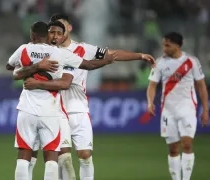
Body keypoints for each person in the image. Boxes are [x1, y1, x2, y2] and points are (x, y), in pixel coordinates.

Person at [21, 14, 156, 180]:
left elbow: (111, 54)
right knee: (63, 157)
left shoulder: (83, 49)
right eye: (52, 30)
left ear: (68, 28)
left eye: (61, 27)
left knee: (85, 155)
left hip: (78, 107)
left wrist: (139, 56)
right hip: (55, 109)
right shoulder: (46, 51)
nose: (56, 33)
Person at [9, 21, 114, 180]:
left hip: (26, 109)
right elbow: (89, 65)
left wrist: (35, 66)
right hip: (50, 112)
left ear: (32, 35)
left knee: (24, 155)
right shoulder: (60, 53)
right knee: (51, 157)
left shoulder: (24, 49)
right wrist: (106, 61)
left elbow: (11, 67)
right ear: (48, 35)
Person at [147, 32, 209, 180]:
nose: (164, 48)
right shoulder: (160, 63)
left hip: (188, 109)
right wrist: (150, 102)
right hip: (168, 111)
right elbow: (152, 86)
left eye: (167, 45)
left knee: (187, 144)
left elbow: (201, 86)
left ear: (177, 45)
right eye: (163, 44)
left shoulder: (191, 62)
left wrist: (205, 109)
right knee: (173, 148)